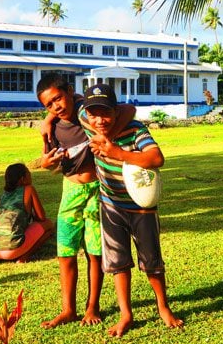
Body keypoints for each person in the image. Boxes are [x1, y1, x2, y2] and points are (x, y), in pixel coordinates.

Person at [78, 83, 183, 337]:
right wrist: (48, 120)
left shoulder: (135, 129)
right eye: (93, 114)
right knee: (117, 262)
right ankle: (126, 314)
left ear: (115, 112)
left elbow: (157, 159)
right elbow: (76, 105)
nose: (98, 119)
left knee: (152, 262)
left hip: (142, 207)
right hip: (111, 205)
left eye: (105, 113)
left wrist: (118, 152)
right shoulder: (88, 123)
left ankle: (163, 307)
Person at [36, 74, 135, 329]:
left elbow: (128, 109)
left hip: (97, 190)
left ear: (70, 92)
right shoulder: (53, 127)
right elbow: (49, 161)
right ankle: (68, 309)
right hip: (70, 190)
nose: (56, 106)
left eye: (58, 98)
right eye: (49, 105)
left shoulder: (86, 112)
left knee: (94, 251)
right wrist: (46, 164)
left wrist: (107, 135)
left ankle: (93, 306)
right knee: (65, 251)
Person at [0, 163, 53, 263]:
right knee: (49, 225)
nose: (30, 174)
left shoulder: (4, 194)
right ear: (22, 179)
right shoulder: (29, 189)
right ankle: (24, 256)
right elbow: (42, 217)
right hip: (12, 248)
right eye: (28, 173)